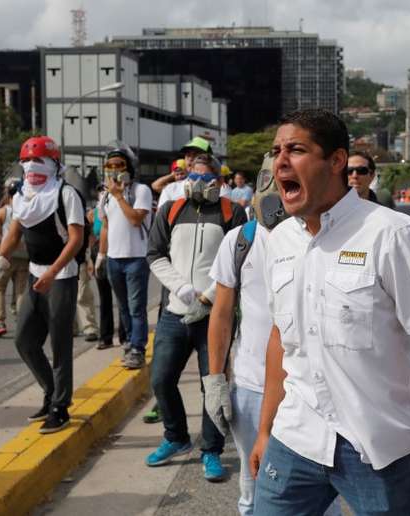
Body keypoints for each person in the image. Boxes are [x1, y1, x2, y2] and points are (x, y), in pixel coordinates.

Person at [250, 109, 410, 514]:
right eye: (276, 151)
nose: (280, 162)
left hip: (376, 449)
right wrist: (265, 430)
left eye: (296, 149)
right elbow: (281, 340)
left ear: (336, 160)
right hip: (295, 438)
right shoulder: (279, 242)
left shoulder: (389, 234)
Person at [205, 154, 323, 515]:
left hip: (311, 391)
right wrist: (214, 379)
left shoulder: (322, 238)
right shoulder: (239, 240)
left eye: (289, 176)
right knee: (252, 486)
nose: (277, 186)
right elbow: (222, 314)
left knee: (317, 495)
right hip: (252, 386)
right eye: (271, 177)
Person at [144, 152, 246, 481]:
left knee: (212, 384)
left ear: (217, 180)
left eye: (205, 178)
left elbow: (240, 261)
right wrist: (185, 290)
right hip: (176, 311)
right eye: (193, 176)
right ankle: (176, 438)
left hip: (214, 314)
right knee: (161, 378)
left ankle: (212, 450)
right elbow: (155, 254)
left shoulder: (233, 212)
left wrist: (210, 296)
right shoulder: (170, 209)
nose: (197, 183)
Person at [0, 136, 84, 433]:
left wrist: (53, 272)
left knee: (60, 343)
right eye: (27, 161)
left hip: (61, 276)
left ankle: (61, 406)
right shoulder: (22, 196)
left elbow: (76, 238)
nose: (32, 167)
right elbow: (14, 232)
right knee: (25, 340)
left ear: (54, 164)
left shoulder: (66, 195)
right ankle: (51, 392)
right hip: (34, 274)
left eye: (39, 160)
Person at [95, 143, 152, 369]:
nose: (115, 169)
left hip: (136, 258)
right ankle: (129, 342)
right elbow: (106, 227)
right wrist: (101, 255)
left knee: (137, 306)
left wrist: (119, 196)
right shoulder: (105, 196)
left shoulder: (141, 191)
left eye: (119, 165)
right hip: (114, 259)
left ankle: (138, 348)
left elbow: (136, 219)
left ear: (129, 167)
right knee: (124, 307)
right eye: (110, 166)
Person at [0, 179, 29, 337]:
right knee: (20, 291)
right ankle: (20, 322)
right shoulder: (26, 210)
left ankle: (0, 322)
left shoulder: (2, 212)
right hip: (24, 256)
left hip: (5, 256)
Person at [89, 186, 125, 350]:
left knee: (121, 297)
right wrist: (91, 260)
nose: (102, 192)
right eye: (100, 190)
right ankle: (106, 337)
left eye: (105, 189)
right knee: (104, 298)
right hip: (98, 253)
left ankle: (125, 336)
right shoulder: (94, 213)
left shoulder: (116, 207)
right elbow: (91, 235)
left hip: (115, 252)